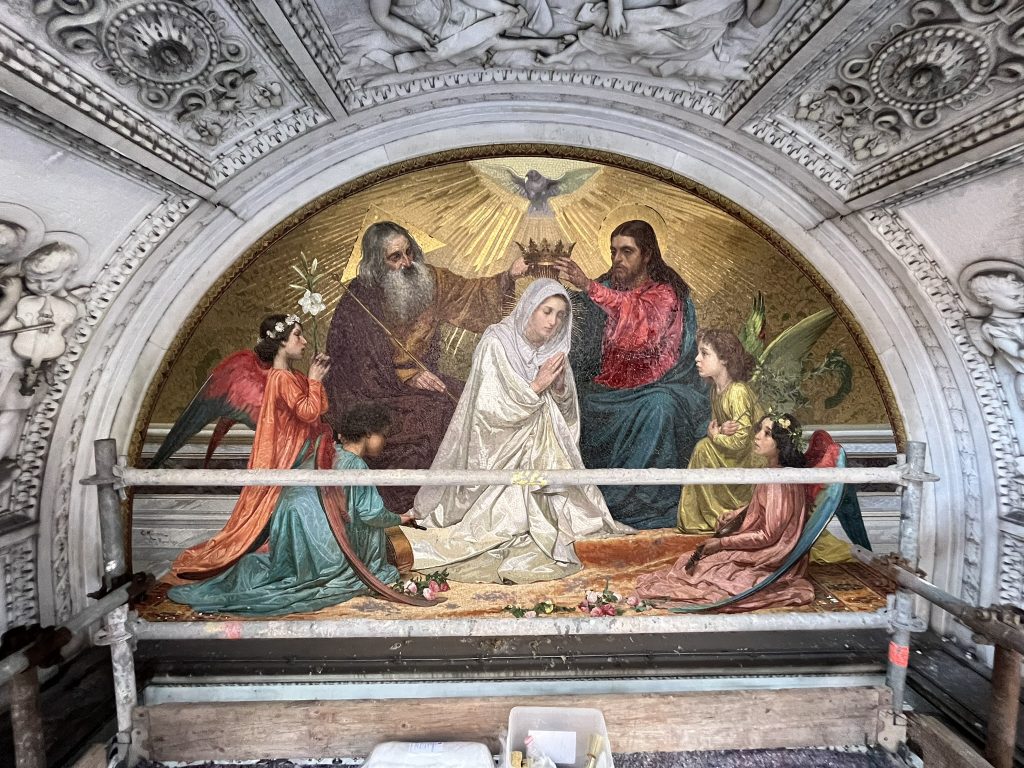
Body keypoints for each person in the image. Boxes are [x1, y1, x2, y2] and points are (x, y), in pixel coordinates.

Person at [404, 278, 632, 584]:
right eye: (546, 311)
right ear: (529, 308)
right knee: (507, 512)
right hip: (500, 448)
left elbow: (566, 410)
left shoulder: (554, 350)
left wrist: (560, 387)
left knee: (565, 499)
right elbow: (487, 411)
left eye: (561, 315)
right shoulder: (496, 342)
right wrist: (537, 386)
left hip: (543, 445)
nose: (553, 322)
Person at [326, 221, 528, 513]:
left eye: (409, 252)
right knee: (432, 418)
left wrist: (509, 275)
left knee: (472, 400)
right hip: (374, 393)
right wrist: (407, 376)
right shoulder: (360, 299)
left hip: (423, 382)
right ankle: (420, 506)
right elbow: (354, 365)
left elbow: (470, 296)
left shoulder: (428, 279)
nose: (407, 262)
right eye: (395, 257)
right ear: (377, 263)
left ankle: (479, 498)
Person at [168, 402, 415, 615]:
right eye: (383, 435)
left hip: (292, 525)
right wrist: (400, 518)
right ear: (368, 433)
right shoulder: (356, 465)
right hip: (316, 536)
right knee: (371, 533)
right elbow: (371, 514)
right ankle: (341, 568)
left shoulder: (326, 453)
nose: (385, 441)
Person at [556, 219, 709, 529]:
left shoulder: (665, 294)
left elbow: (639, 325)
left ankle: (643, 504)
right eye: (614, 251)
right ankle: (587, 500)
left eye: (627, 252)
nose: (617, 259)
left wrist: (589, 287)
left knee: (660, 408)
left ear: (647, 255)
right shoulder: (607, 286)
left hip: (655, 388)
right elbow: (575, 315)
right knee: (573, 403)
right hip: (608, 390)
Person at [170, 314, 334, 579]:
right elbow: (307, 412)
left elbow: (320, 408)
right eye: (297, 335)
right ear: (281, 342)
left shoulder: (291, 376)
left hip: (297, 454)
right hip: (287, 457)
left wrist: (314, 380)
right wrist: (314, 380)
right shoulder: (281, 378)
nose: (304, 341)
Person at [634, 413, 815, 611]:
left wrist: (722, 543)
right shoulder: (777, 472)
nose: (757, 436)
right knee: (694, 565)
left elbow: (768, 535)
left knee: (703, 572)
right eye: (759, 430)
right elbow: (767, 507)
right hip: (770, 548)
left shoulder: (777, 482)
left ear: (782, 443)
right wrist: (737, 513)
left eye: (767, 434)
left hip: (772, 556)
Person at [678, 328, 764, 532]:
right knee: (703, 447)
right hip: (734, 455)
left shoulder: (737, 392)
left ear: (724, 359)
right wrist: (719, 431)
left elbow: (741, 441)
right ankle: (705, 516)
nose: (697, 359)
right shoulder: (716, 391)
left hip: (750, 459)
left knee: (703, 448)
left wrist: (716, 437)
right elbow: (717, 426)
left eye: (705, 353)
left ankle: (717, 515)